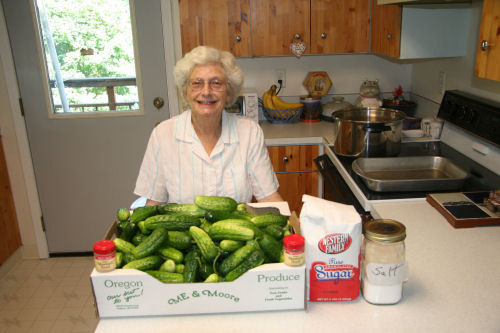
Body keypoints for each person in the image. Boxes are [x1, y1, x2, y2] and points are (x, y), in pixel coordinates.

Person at [134, 46, 283, 206]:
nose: (206, 91)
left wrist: (289, 228)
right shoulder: (163, 134)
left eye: (216, 83)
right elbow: (154, 203)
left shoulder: (249, 132)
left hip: (234, 230)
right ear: (185, 93)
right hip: (184, 231)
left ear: (229, 93)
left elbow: (268, 198)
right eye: (197, 83)